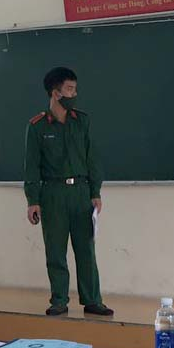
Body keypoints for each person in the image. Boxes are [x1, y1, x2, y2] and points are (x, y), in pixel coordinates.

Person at [24, 67, 112, 318]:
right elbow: (31, 166)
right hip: (52, 193)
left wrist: (95, 192)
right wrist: (33, 200)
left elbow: (92, 158)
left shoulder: (82, 121)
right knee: (55, 251)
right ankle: (59, 300)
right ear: (56, 92)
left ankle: (92, 300)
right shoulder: (37, 126)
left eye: (75, 89)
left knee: (86, 250)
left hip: (81, 192)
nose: (74, 94)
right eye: (70, 89)